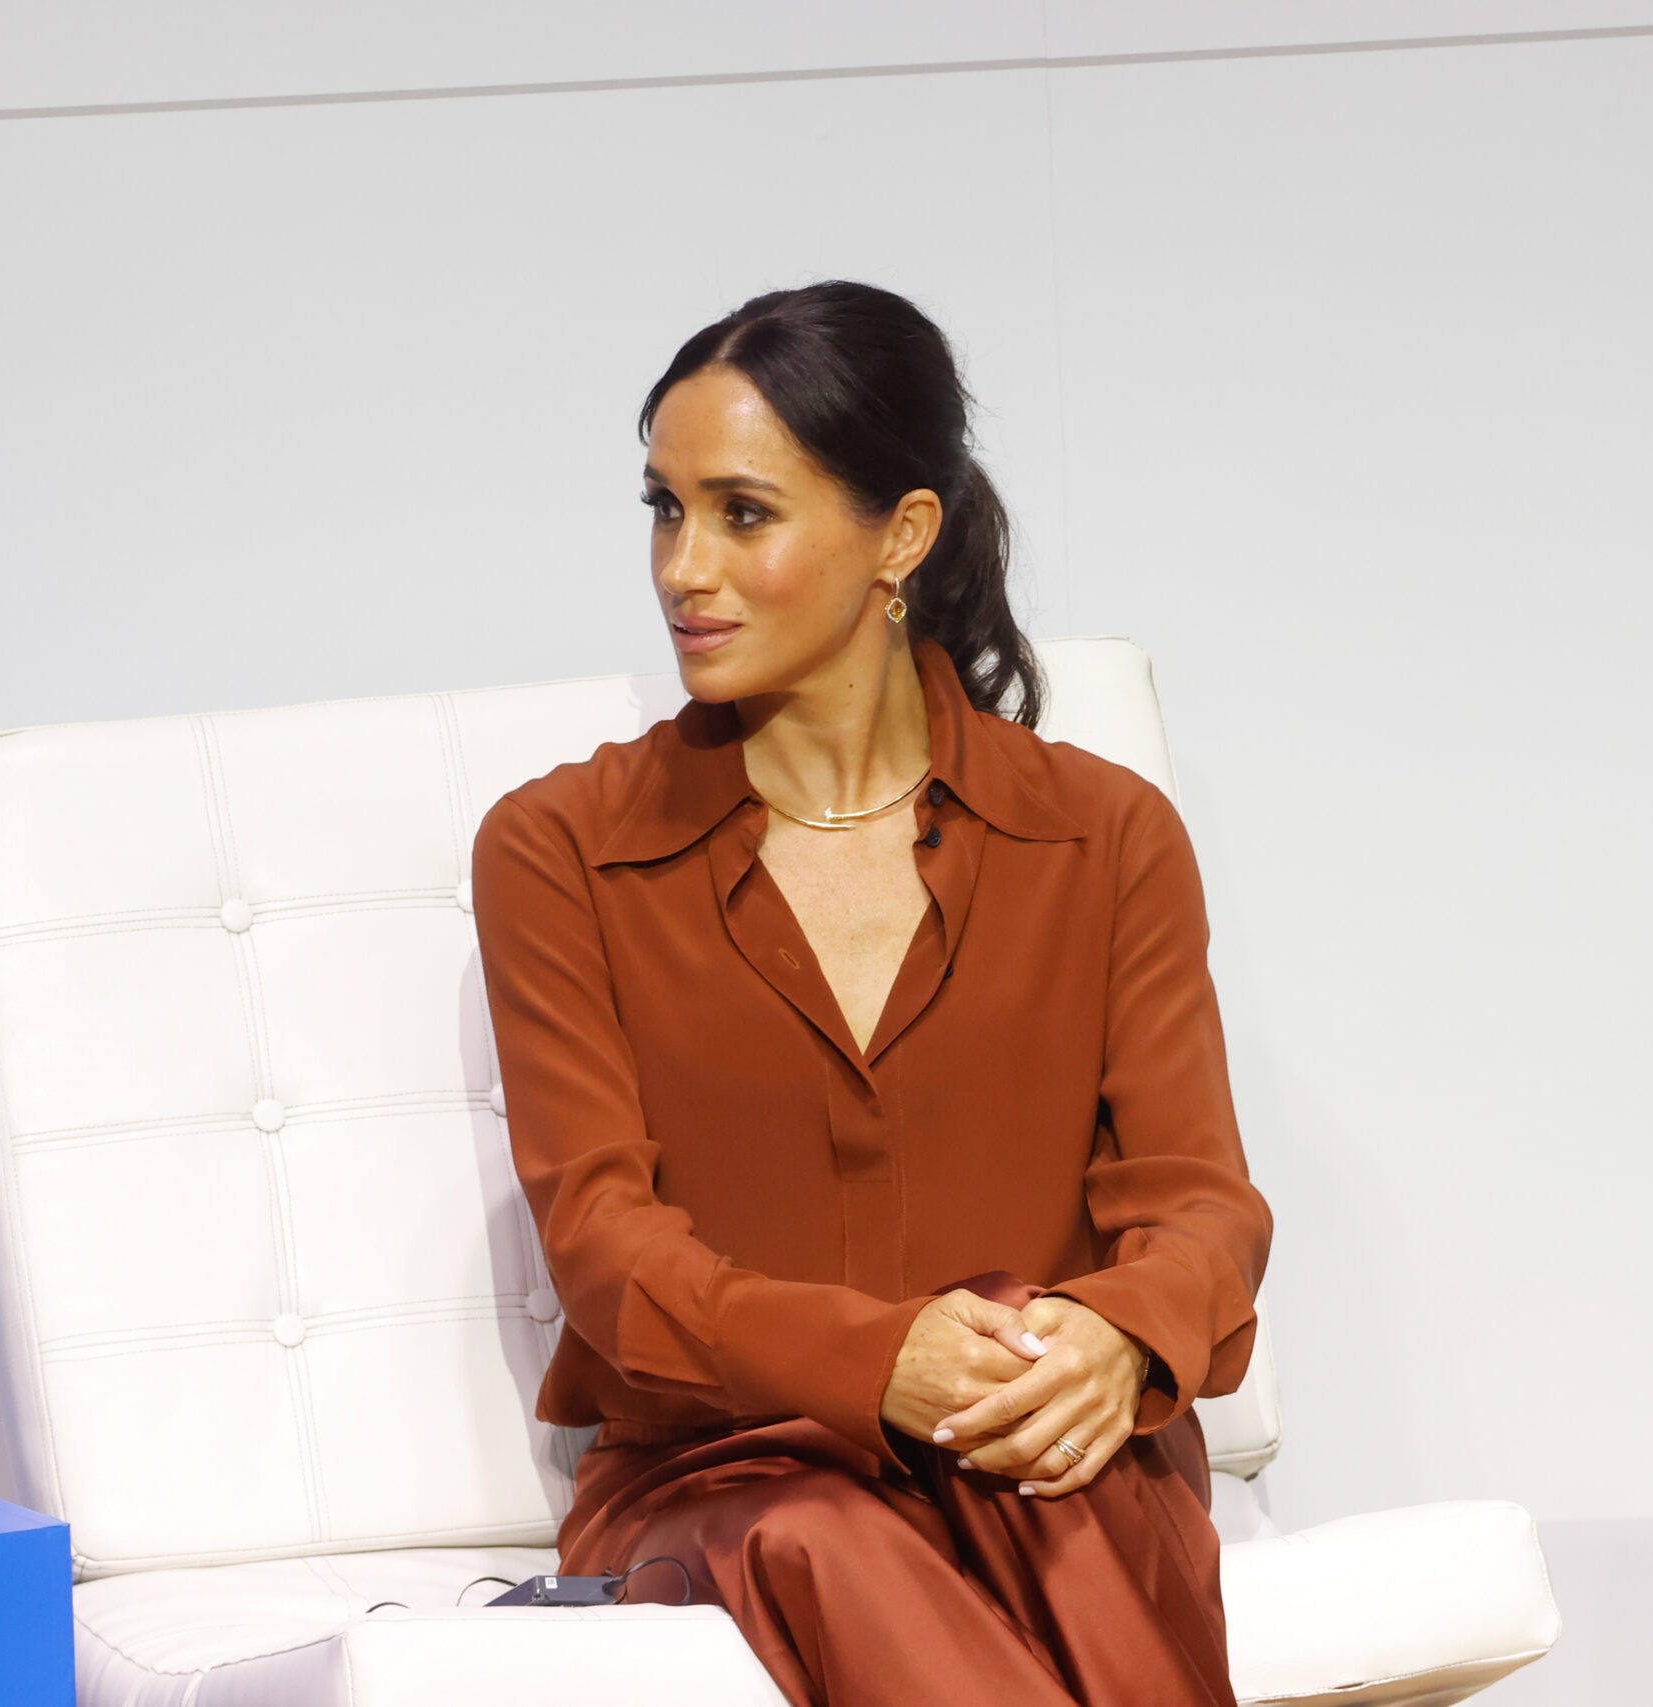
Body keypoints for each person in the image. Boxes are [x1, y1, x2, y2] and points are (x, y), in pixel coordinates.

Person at [471, 280, 1273, 1707]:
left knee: (1073, 1512)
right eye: (664, 508)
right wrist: (877, 1361)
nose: (681, 568)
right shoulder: (560, 851)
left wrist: (1118, 1336)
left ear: (902, 535)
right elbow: (605, 1250)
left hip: (1046, 1457)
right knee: (835, 1542)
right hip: (731, 1476)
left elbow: (1198, 1201)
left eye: (742, 513)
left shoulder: (1103, 838)